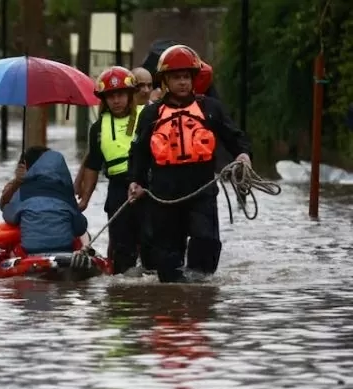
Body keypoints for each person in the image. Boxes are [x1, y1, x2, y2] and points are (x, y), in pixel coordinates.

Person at [128, 44, 252, 283]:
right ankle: (173, 293)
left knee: (206, 243)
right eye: (176, 77)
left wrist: (243, 154)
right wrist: (135, 181)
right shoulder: (151, 114)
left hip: (201, 189)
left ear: (194, 78)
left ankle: (199, 293)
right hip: (164, 193)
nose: (182, 82)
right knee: (167, 259)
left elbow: (235, 137)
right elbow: (139, 153)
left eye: (186, 77)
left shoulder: (210, 108)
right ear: (165, 80)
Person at [77, 66, 147, 275]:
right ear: (104, 99)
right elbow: (93, 165)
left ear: (130, 95)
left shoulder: (147, 116)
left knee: (152, 244)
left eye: (120, 95)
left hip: (147, 187)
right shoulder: (98, 128)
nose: (116, 100)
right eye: (111, 96)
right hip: (117, 190)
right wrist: (85, 199)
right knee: (121, 250)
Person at [0, 146, 88, 254]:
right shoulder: (64, 190)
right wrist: (17, 183)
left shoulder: (23, 192)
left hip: (31, 248)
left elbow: (7, 214)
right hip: (64, 248)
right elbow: (80, 227)